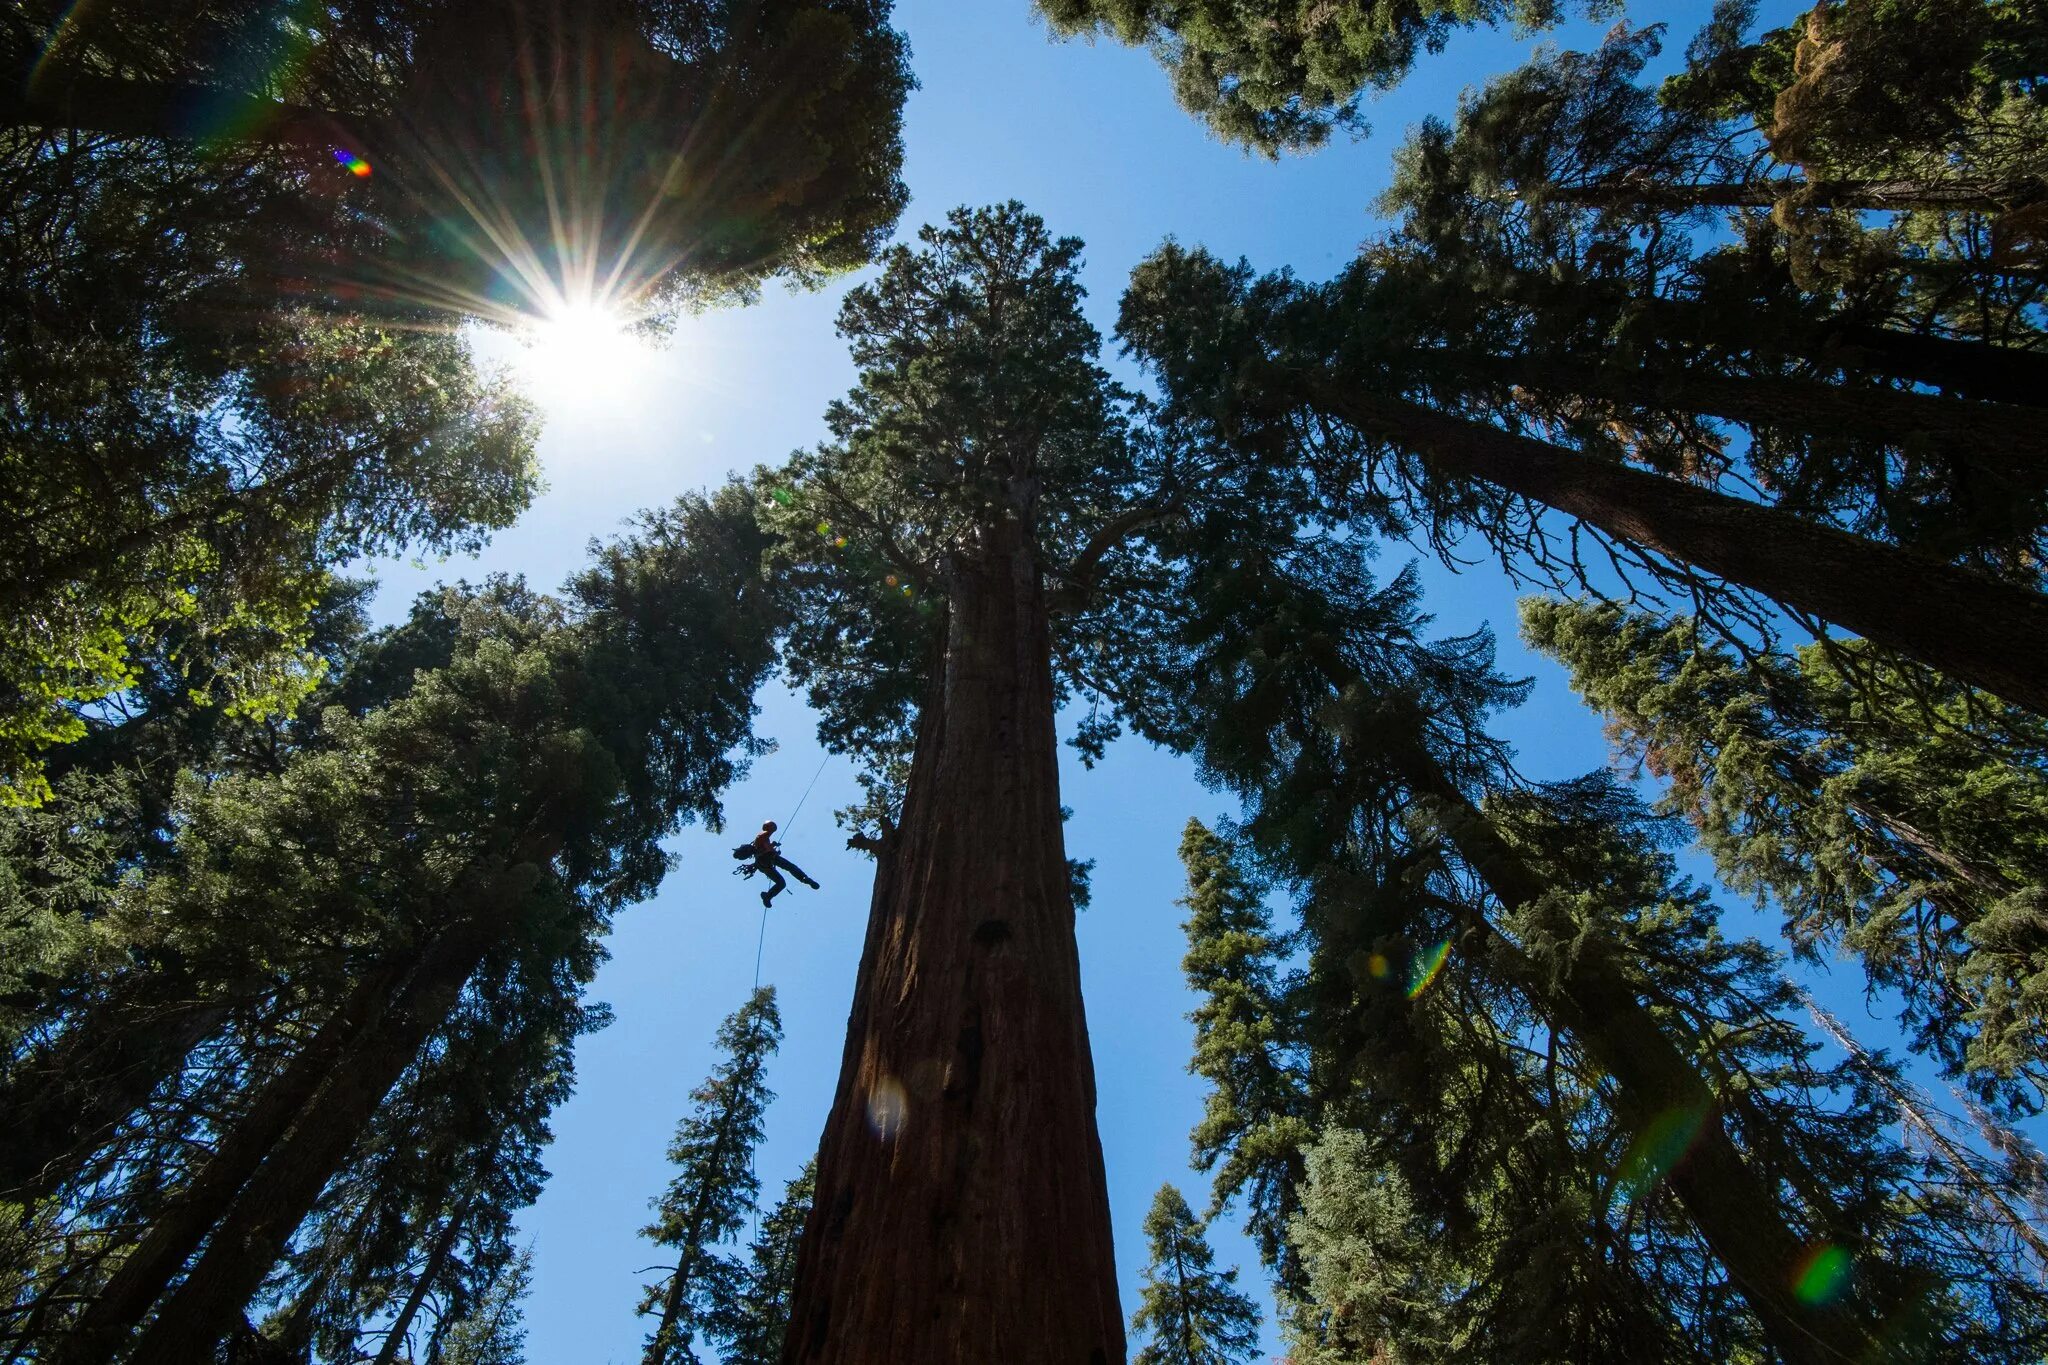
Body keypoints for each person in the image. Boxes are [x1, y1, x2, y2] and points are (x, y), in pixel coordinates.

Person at [750, 821, 819, 907]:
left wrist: (773, 846)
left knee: (781, 883)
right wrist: (773, 848)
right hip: (767, 859)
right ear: (769, 827)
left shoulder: (763, 839)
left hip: (764, 865)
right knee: (791, 867)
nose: (773, 831)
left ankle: (767, 896)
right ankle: (806, 879)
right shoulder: (763, 834)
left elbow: (764, 847)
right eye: (773, 828)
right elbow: (765, 847)